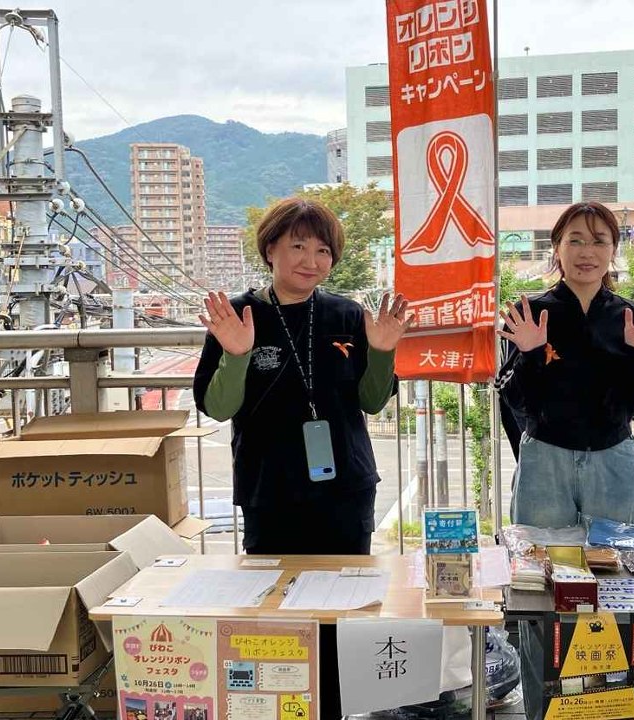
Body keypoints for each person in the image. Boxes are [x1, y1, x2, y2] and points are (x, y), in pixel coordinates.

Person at [191, 197, 411, 719]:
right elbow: (218, 407)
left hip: (345, 490)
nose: (311, 261)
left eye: (322, 251)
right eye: (297, 246)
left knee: (345, 613)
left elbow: (372, 401)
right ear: (270, 249)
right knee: (276, 616)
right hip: (270, 490)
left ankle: (339, 709)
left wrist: (383, 351)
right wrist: (237, 355)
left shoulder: (346, 315)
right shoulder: (238, 316)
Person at [495, 201, 634, 720]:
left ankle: (612, 708)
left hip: (613, 461)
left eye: (599, 241)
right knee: (538, 591)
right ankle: (542, 711)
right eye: (575, 239)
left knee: (618, 586)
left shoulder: (628, 315)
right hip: (546, 463)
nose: (587, 251)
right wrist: (529, 353)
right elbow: (513, 399)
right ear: (556, 248)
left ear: (614, 251)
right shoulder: (529, 312)